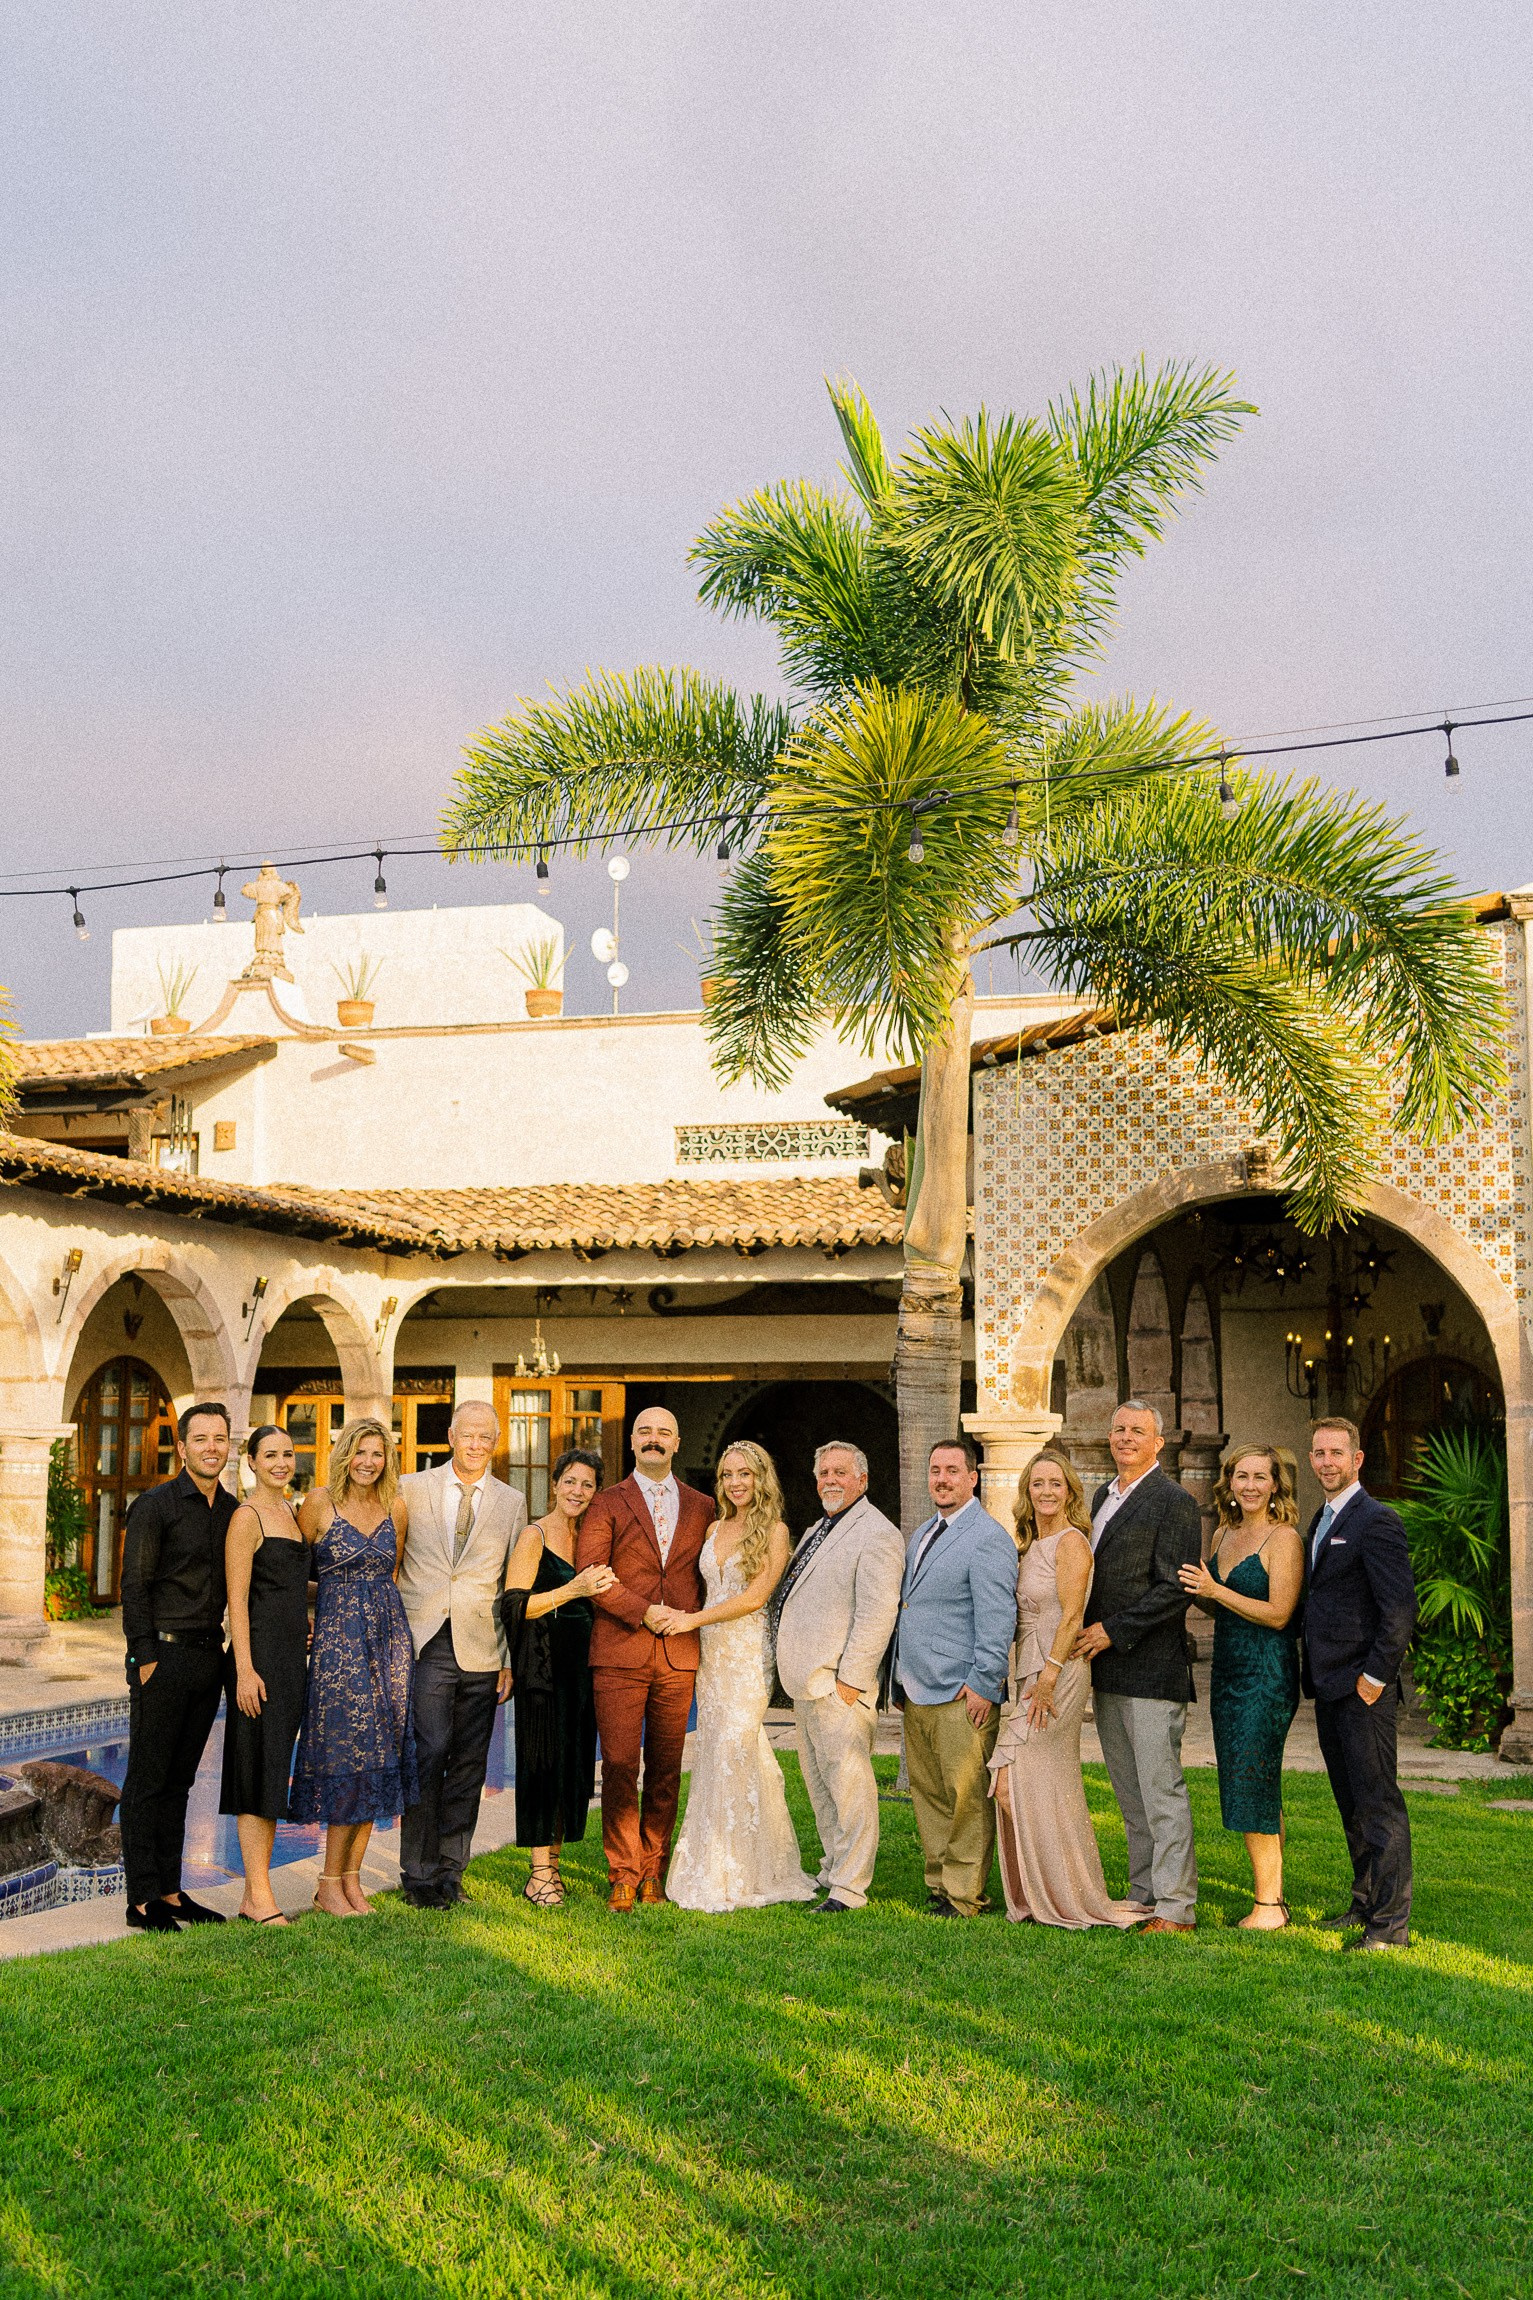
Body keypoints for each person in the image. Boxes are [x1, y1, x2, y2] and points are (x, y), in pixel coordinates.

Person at [658, 1441, 818, 1913]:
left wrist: (690, 1621)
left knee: (736, 1743)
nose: (735, 1483)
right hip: (710, 1654)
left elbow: (754, 1598)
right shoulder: (714, 1527)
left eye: (744, 1474)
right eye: (728, 1475)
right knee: (715, 1749)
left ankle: (742, 1869)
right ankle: (719, 1862)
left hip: (746, 1653)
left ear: (760, 1478)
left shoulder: (775, 1531)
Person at [989, 1447, 1145, 1929]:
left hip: (1056, 1674)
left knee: (1018, 1781)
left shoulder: (1073, 1543)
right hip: (1030, 1671)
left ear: (1070, 1491)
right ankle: (1039, 1894)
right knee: (1018, 1784)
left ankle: (1066, 1895)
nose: (1047, 1491)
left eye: (1056, 1483)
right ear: (1027, 1492)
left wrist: (1050, 1677)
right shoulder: (1031, 1543)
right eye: (1038, 1483)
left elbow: (1072, 1615)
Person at [576, 1406, 714, 1910]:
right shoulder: (607, 1502)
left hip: (678, 1655)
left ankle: (653, 1869)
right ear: (632, 1441)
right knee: (618, 1764)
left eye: (663, 1433)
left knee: (666, 1767)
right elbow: (592, 1571)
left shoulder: (703, 1506)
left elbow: (712, 1574)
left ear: (676, 1443)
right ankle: (622, 1871)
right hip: (619, 1651)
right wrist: (644, 1611)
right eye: (645, 1432)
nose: (654, 1439)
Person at [1073, 1400, 1203, 1934]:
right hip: (1107, 1669)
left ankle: (1176, 1906)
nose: (1126, 1437)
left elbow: (1176, 1588)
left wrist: (1113, 1629)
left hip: (1151, 1669)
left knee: (1160, 1791)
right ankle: (1144, 1892)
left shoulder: (1175, 1502)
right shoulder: (1102, 1496)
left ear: (1158, 1443)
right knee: (1130, 1793)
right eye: (1119, 1429)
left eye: (1138, 1431)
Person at [396, 1402, 526, 1910]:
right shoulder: (411, 1488)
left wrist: (509, 1658)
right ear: (451, 1436)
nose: (475, 1445)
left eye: (485, 1437)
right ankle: (418, 1872)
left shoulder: (511, 1502)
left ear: (495, 1442)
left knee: (470, 1763)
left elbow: (513, 1586)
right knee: (428, 1754)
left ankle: (452, 1871)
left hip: (484, 1647)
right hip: (426, 1641)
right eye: (467, 1435)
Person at [119, 1401, 238, 1933]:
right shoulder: (155, 1506)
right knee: (148, 1780)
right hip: (162, 1659)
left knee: (181, 1782)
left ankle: (170, 1891)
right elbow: (134, 1586)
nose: (212, 1447)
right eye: (201, 1439)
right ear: (183, 1446)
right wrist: (145, 1659)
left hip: (207, 1657)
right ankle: (142, 1901)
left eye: (220, 1438)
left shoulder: (232, 1511)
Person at [290, 1417, 417, 1915]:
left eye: (377, 1453)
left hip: (389, 1645)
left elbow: (393, 1574)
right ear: (345, 1454)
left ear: (388, 1459)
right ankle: (327, 1883)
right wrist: (314, 1609)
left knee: (381, 1759)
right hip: (337, 1649)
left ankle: (352, 1880)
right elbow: (291, 1574)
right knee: (346, 1759)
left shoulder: (395, 1507)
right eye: (360, 1452)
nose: (368, 1462)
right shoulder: (319, 1503)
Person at [773, 1440, 904, 1915]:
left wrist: (850, 1682)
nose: (830, 1479)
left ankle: (849, 1888)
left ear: (862, 1480)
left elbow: (877, 1613)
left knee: (849, 1791)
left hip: (839, 1686)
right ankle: (833, 1870)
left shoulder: (877, 1533)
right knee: (821, 1787)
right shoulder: (818, 1528)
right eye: (824, 1472)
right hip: (808, 1686)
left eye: (841, 1472)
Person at [1302, 1416, 1417, 1950]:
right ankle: (1365, 1902)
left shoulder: (1377, 1520)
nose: (1327, 1462)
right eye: (1319, 1453)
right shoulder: (1321, 1519)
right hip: (1329, 1687)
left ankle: (1390, 1927)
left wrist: (1374, 1678)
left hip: (1362, 1689)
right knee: (1351, 1804)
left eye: (1336, 1453)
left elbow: (1399, 1609)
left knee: (1378, 1804)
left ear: (1357, 1459)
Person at [1179, 1445, 1304, 1930]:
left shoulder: (1283, 1538)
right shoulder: (1224, 1532)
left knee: (1253, 1778)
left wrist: (1216, 1590)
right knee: (1251, 1779)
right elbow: (1220, 1605)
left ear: (1275, 1485)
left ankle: (1268, 1908)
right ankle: (1274, 1895)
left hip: (1267, 1674)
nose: (1250, 1486)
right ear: (1229, 1483)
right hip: (1228, 1673)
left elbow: (1279, 1614)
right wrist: (1198, 1591)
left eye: (1260, 1477)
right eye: (1241, 1476)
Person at [893, 1437, 1019, 1917]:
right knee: (929, 1794)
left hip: (962, 1690)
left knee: (966, 1798)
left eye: (952, 1471)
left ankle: (964, 1894)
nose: (941, 1479)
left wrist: (985, 1683)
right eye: (935, 1471)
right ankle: (939, 1884)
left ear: (973, 1478)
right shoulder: (924, 1532)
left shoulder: (988, 1537)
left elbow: (997, 1618)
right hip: (917, 1686)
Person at [499, 1448, 614, 1907]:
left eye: (587, 1484)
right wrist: (573, 1589)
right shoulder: (535, 1535)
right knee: (542, 1765)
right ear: (554, 1484)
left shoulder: (591, 1538)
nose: (577, 1492)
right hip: (543, 1667)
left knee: (573, 1767)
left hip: (584, 1668)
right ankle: (538, 1874)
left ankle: (556, 1864)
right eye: (570, 1481)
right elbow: (515, 1606)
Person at [219, 1423, 312, 1925]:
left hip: (290, 1662)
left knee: (274, 1772)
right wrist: (244, 1669)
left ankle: (254, 1893)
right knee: (256, 1771)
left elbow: (290, 1586)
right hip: (259, 1664)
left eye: (288, 1454)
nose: (281, 1463)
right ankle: (258, 1897)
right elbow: (237, 1599)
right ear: (251, 1462)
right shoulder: (247, 1517)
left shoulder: (293, 1514)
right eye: (270, 1455)